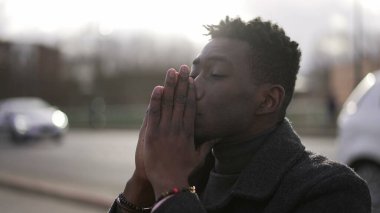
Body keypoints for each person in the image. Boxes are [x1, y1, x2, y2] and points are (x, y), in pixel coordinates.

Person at [109, 17, 371, 213]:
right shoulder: (188, 171)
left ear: (268, 100)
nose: (192, 86)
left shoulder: (330, 190)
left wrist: (171, 189)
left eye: (216, 74)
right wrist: (142, 181)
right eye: (194, 73)